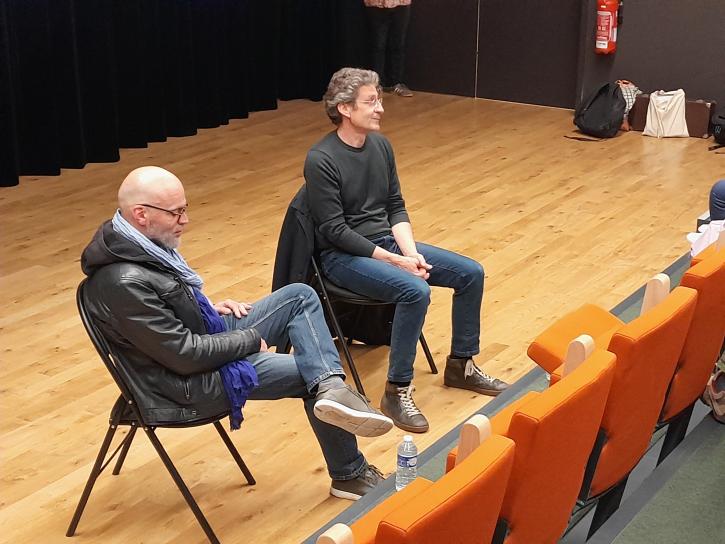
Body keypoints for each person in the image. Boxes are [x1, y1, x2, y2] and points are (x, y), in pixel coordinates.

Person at [80, 166, 393, 501]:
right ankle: (349, 474)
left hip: (199, 338)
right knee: (310, 372)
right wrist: (248, 342)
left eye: (185, 209)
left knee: (299, 297)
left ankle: (332, 390)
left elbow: (164, 320)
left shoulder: (137, 244)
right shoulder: (123, 282)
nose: (185, 220)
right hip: (184, 383)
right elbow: (183, 355)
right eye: (176, 212)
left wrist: (204, 308)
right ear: (141, 214)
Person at [303, 68, 509, 434]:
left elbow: (394, 206)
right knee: (415, 290)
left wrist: (410, 254)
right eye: (371, 101)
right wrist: (396, 260)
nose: (380, 108)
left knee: (470, 273)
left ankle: (461, 365)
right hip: (342, 258)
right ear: (345, 108)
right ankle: (396, 390)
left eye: (379, 99)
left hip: (385, 244)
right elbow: (335, 231)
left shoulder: (381, 146)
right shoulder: (321, 159)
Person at [364, 0, 414, 97]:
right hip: (376, 5)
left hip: (401, 4)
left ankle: (397, 83)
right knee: (378, 46)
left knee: (398, 45)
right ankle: (377, 83)